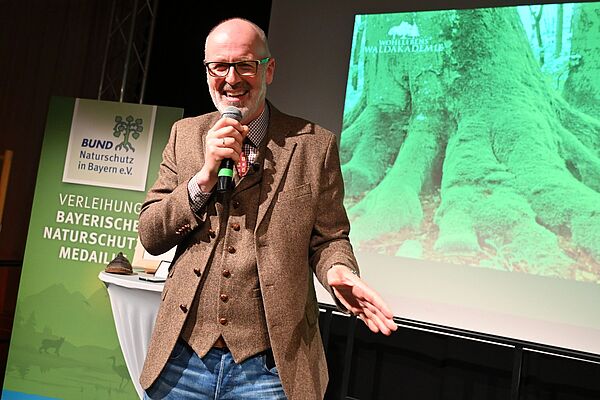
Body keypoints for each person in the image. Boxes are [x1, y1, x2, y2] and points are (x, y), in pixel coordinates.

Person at [138, 17, 397, 400]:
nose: (231, 78)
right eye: (219, 66)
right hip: (183, 360)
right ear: (207, 71)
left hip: (269, 369)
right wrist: (203, 178)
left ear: (268, 69)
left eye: (244, 64)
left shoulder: (314, 146)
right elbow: (151, 233)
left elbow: (330, 239)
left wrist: (340, 271)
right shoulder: (186, 135)